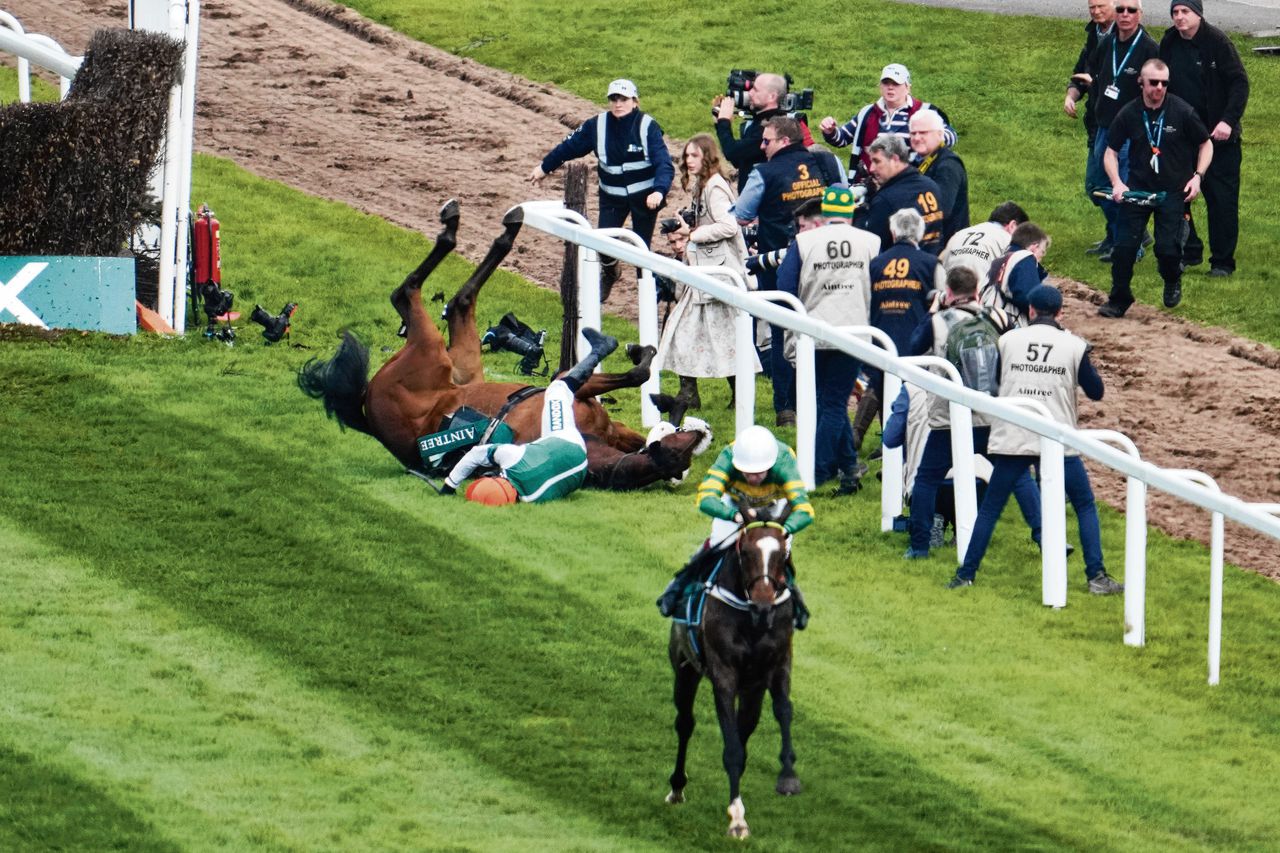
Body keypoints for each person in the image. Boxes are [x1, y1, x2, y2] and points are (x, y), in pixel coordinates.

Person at [948, 286, 1124, 595]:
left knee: (991, 508)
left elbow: (993, 382)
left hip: (1014, 434)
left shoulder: (1006, 340)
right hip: (1057, 438)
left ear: (1030, 310)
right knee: (1084, 504)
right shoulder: (1073, 345)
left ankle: (966, 574)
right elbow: (1096, 392)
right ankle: (1096, 575)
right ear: (1060, 313)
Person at [905, 267, 1042, 559]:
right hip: (991, 414)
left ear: (949, 292)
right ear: (977, 291)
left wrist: (932, 312)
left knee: (927, 480)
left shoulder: (937, 322)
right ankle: (1044, 535)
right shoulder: (998, 317)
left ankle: (919, 547)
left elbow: (912, 348)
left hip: (949, 419)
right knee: (1017, 474)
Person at [656, 424, 815, 626]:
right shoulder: (728, 457)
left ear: (771, 465)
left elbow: (804, 510)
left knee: (777, 553)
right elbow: (705, 499)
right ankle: (677, 587)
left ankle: (796, 601)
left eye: (759, 472)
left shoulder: (784, 461)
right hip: (737, 505)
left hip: (775, 507)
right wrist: (734, 515)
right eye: (747, 472)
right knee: (717, 544)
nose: (753, 478)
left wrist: (785, 529)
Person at [777, 189, 881, 491]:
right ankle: (840, 468)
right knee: (833, 403)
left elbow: (785, 286)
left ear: (824, 214)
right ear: (850, 213)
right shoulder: (871, 242)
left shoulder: (804, 241)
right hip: (853, 333)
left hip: (812, 333)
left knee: (827, 403)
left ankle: (822, 469)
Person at [529, 79, 674, 292]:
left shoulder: (647, 126)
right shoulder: (596, 125)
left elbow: (664, 163)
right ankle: (610, 271)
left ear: (635, 101)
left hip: (645, 200)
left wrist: (659, 192)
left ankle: (648, 295)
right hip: (612, 198)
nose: (618, 104)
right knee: (603, 243)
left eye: (623, 99)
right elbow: (569, 147)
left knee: (642, 252)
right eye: (614, 99)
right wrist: (544, 167)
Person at [441, 328, 618, 503]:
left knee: (537, 450)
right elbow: (476, 453)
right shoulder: (512, 459)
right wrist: (449, 485)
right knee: (557, 389)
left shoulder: (531, 500)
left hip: (578, 473)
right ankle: (600, 349)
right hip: (568, 443)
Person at [1098, 58, 1211, 317]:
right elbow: (1110, 152)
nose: (1159, 88)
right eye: (1153, 83)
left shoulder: (1182, 112)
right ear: (1141, 83)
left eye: (1164, 83)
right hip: (1138, 191)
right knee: (1124, 248)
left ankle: (1172, 278)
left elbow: (1206, 144)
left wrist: (1198, 177)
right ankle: (1119, 298)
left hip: (1172, 191)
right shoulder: (1129, 113)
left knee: (1167, 250)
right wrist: (1117, 182)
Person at [733, 115, 826, 427]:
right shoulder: (824, 162)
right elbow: (844, 199)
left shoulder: (763, 172)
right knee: (816, 326)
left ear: (785, 141)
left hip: (776, 261)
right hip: (821, 259)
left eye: (767, 140)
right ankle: (815, 399)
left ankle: (785, 406)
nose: (761, 146)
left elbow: (742, 215)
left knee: (780, 330)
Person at [658, 134, 758, 409]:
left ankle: (705, 395)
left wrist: (695, 233)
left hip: (717, 275)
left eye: (694, 156)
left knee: (699, 333)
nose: (688, 161)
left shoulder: (714, 187)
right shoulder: (704, 185)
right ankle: (702, 394)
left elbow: (729, 226)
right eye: (686, 156)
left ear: (707, 158)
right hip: (709, 273)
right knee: (709, 334)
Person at [1161, 0, 1250, 276]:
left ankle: (1223, 262)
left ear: (1198, 14)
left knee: (1221, 200)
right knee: (1179, 195)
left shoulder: (1217, 42)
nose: (1179, 17)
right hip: (1184, 136)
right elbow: (1161, 77)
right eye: (1175, 12)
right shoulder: (1170, 41)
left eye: (1185, 11)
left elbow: (1239, 83)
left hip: (1218, 138)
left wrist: (1227, 121)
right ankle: (1190, 248)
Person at [858, 208, 944, 454]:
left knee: (883, 391)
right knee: (913, 399)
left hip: (881, 337)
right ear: (921, 233)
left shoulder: (876, 263)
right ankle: (903, 449)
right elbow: (942, 300)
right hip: (917, 341)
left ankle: (888, 444)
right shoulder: (930, 264)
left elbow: (866, 300)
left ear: (893, 232)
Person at [1082, 1, 1159, 262]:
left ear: (1140, 15)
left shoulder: (1149, 48)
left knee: (1122, 190)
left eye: (1131, 10)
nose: (1125, 15)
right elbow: (1093, 68)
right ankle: (1116, 237)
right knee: (1096, 186)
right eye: (1122, 9)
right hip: (1104, 126)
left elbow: (1158, 91)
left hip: (1129, 132)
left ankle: (1130, 247)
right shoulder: (1108, 43)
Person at [819, 63, 956, 189]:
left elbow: (951, 137)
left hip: (911, 185)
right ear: (880, 86)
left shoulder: (925, 111)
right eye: (886, 83)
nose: (890, 87)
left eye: (896, 84)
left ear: (907, 87)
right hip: (869, 185)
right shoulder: (868, 112)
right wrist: (830, 131)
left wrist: (929, 137)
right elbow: (841, 139)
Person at [1066, 0, 1118, 252]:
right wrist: (1071, 95)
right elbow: (1080, 72)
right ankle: (1116, 235)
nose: (1096, 12)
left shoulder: (1127, 38)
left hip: (1115, 124)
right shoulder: (1094, 34)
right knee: (1100, 187)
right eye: (1092, 8)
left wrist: (1095, 81)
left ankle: (1131, 235)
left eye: (1101, 6)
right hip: (1096, 122)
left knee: (1100, 185)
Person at [854, 135, 945, 255]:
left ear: (895, 159)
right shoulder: (931, 186)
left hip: (898, 268)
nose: (871, 168)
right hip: (932, 263)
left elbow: (868, 243)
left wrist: (860, 212)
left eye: (877, 161)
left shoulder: (885, 200)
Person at [713, 72, 789, 192]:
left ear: (772, 97)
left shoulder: (771, 127)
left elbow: (732, 152)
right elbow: (739, 160)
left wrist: (724, 123)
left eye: (755, 90)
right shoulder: (758, 121)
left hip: (762, 200)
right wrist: (720, 122)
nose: (750, 93)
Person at [909, 109, 969, 245]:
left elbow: (942, 210)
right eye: (913, 133)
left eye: (923, 132)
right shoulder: (915, 162)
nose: (917, 138)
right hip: (927, 244)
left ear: (940, 134)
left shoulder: (948, 165)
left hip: (946, 249)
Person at [980, 221, 1051, 327]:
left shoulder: (999, 260)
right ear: (1034, 247)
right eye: (1042, 252)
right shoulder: (1025, 257)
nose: (1042, 257)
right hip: (1008, 324)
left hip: (988, 318)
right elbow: (1028, 296)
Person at [939, 201, 1030, 281]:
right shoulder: (1009, 239)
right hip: (978, 294)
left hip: (946, 292)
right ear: (1013, 225)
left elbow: (939, 263)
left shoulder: (959, 234)